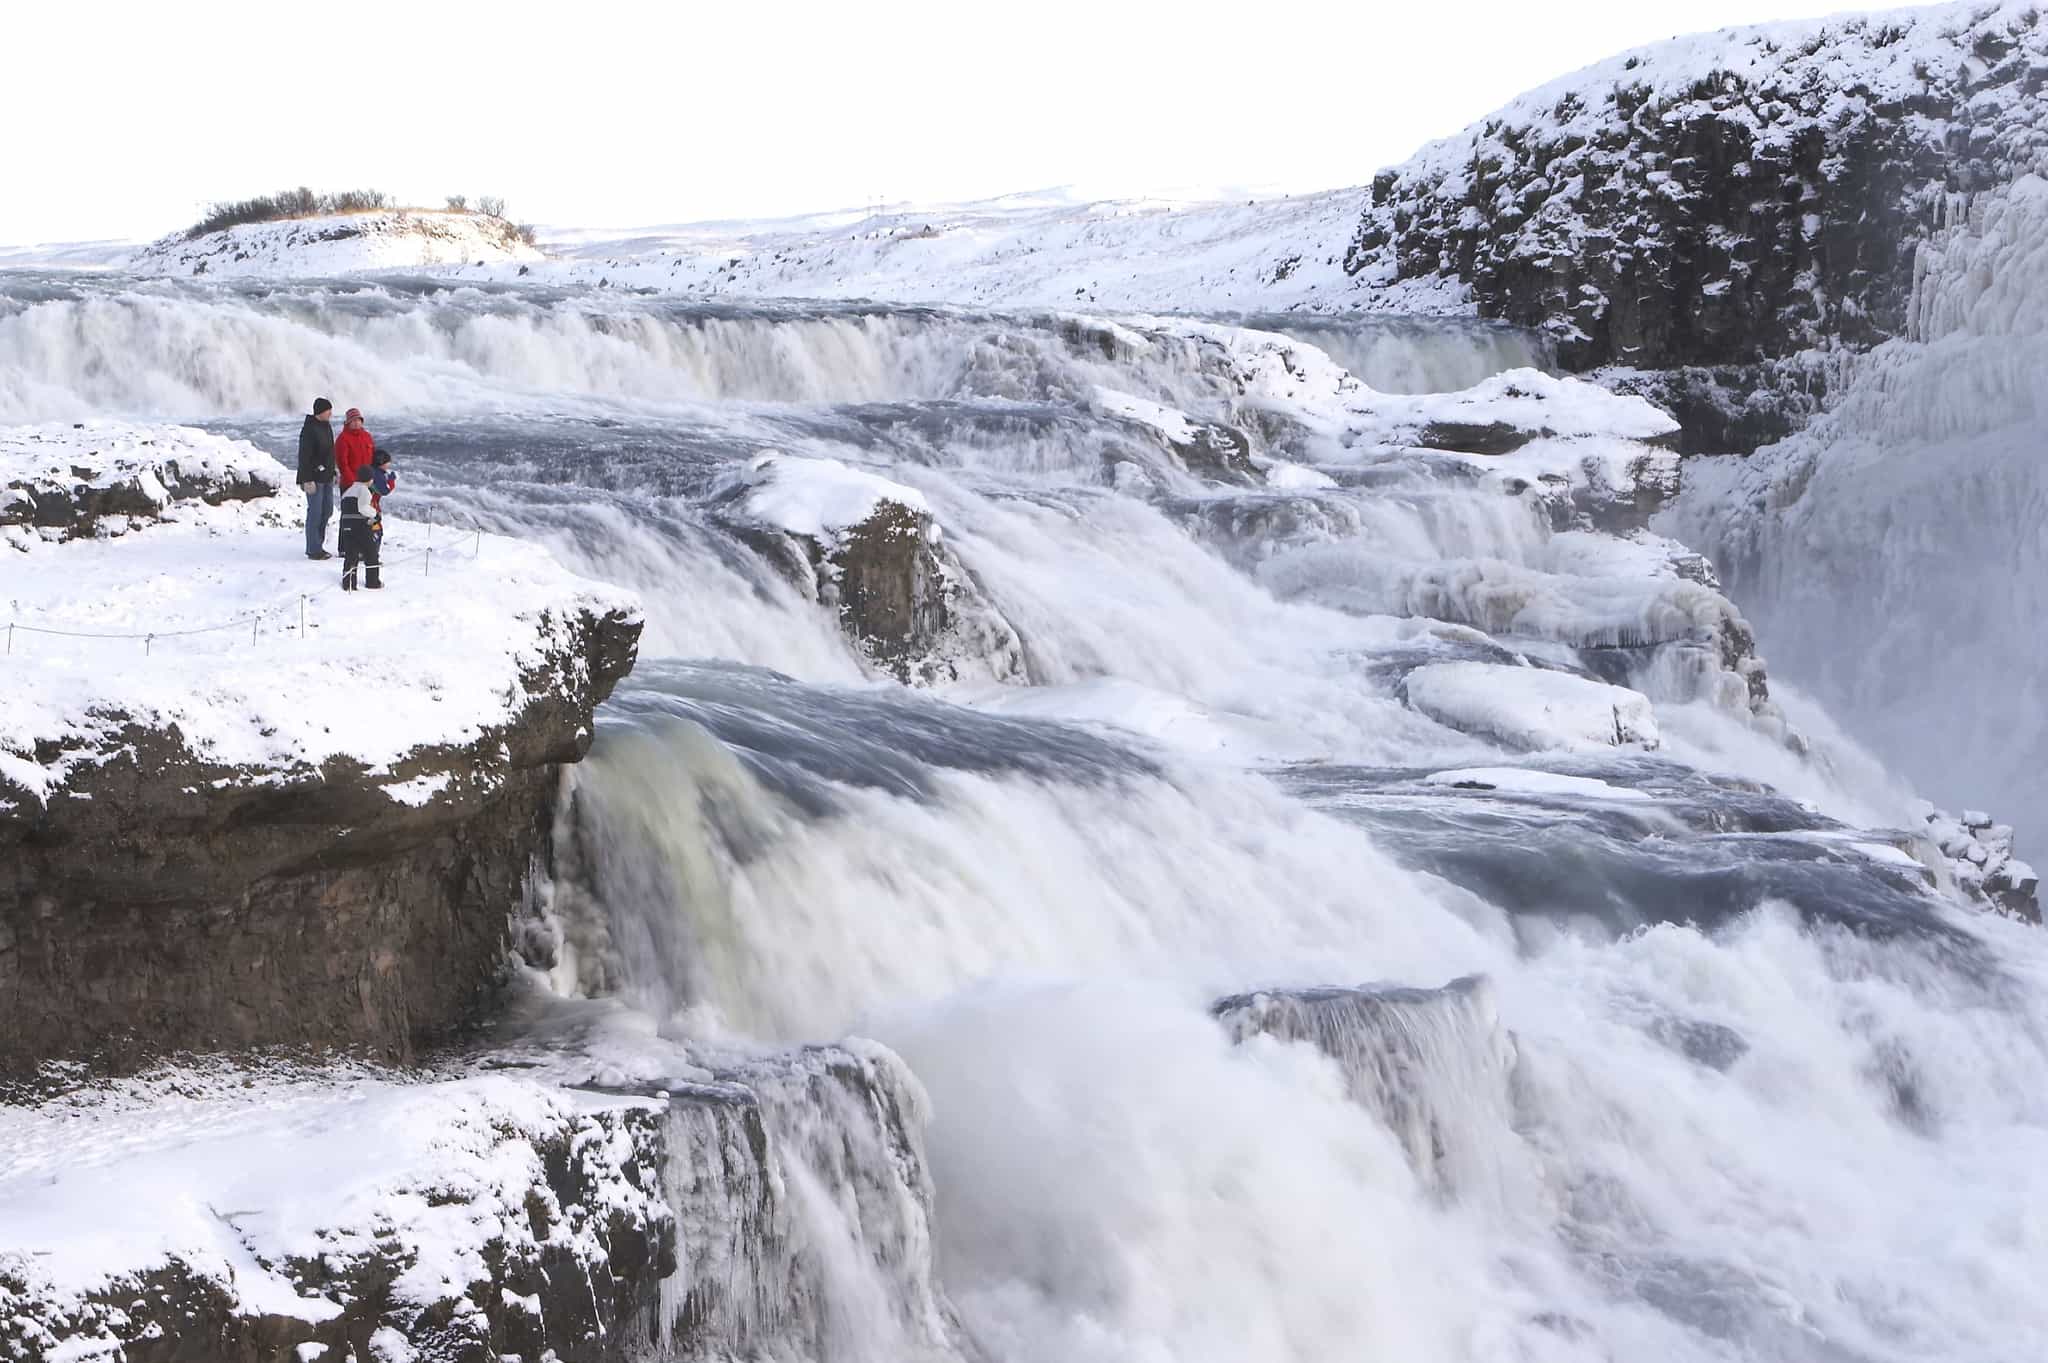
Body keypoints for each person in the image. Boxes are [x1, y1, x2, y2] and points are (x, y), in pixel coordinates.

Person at [297, 397, 337, 559]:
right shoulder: (309, 429)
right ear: (320, 411)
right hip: (314, 478)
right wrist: (306, 479)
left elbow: (330, 452)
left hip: (327, 476)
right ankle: (314, 549)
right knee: (315, 512)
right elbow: (304, 456)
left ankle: (318, 543)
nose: (330, 413)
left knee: (327, 510)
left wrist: (333, 471)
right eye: (328, 410)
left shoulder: (327, 426)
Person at [337, 460, 386, 592]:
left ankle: (348, 583)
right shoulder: (364, 490)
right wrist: (375, 514)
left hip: (346, 525)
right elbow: (363, 508)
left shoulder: (348, 491)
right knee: (371, 553)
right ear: (369, 479)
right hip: (360, 526)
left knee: (351, 555)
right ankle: (373, 582)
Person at [334, 407, 375, 491]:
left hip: (367, 482)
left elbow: (373, 456)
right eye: (353, 420)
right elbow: (342, 464)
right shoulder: (342, 439)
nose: (356, 423)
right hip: (350, 484)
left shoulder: (367, 436)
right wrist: (353, 482)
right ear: (348, 422)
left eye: (358, 420)